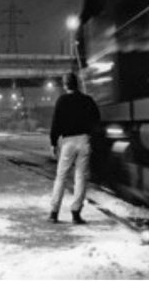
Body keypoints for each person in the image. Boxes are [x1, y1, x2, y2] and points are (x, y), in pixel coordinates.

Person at [48, 72, 100, 224]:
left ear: (65, 85)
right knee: (80, 178)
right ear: (77, 84)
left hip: (68, 142)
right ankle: (76, 213)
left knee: (61, 177)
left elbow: (55, 123)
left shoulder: (62, 101)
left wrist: (53, 143)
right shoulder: (87, 100)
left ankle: (54, 212)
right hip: (84, 140)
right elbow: (96, 120)